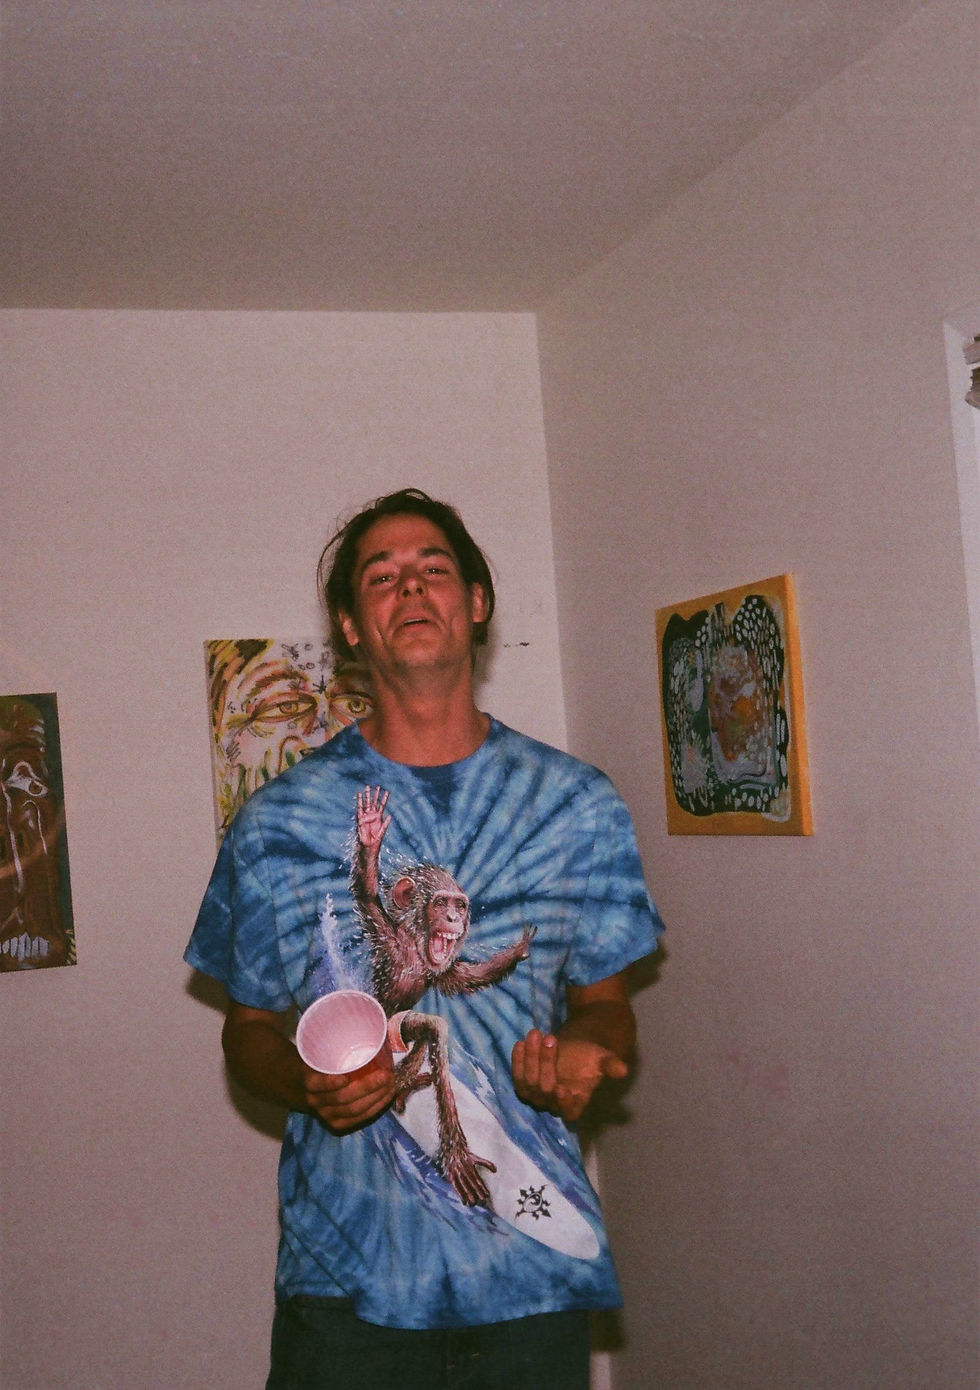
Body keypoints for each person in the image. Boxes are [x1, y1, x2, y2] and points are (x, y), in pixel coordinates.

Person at [185, 487, 664, 1389]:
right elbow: (246, 1030)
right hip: (346, 1290)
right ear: (350, 627)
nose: (409, 587)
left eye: (433, 568)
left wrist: (584, 1054)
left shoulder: (577, 804)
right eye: (381, 576)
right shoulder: (278, 823)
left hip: (529, 1276)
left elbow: (607, 1009)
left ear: (476, 603)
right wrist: (306, 1083)